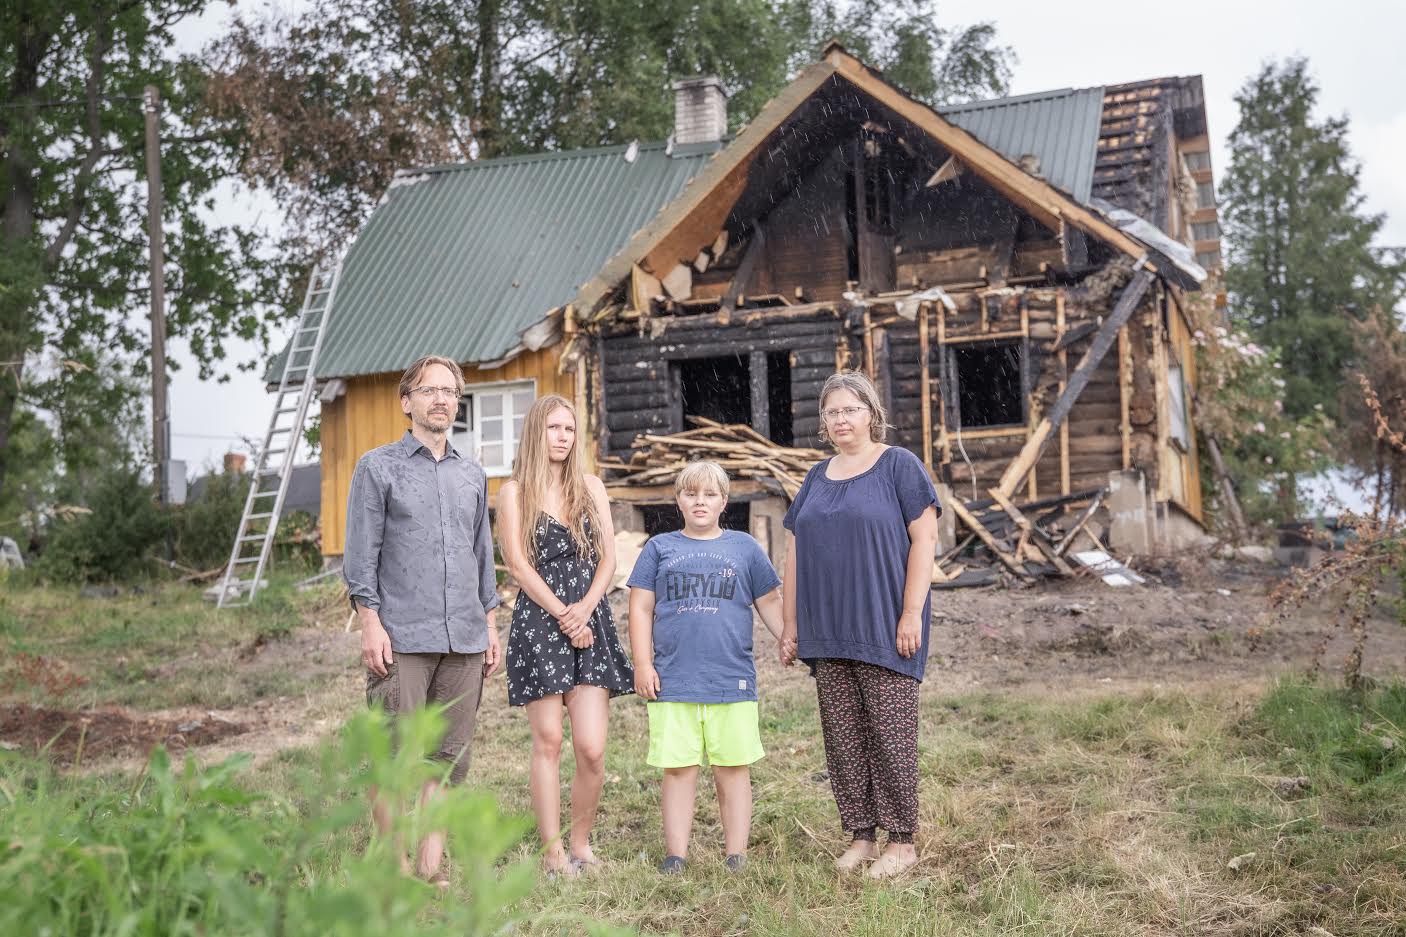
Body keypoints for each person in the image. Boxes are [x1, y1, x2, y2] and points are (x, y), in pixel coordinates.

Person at [344, 354, 503, 889]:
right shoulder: (378, 467)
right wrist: (370, 621)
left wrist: (490, 624)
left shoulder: (472, 473)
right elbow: (361, 555)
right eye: (430, 390)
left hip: (463, 636)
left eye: (450, 392)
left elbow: (482, 554)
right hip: (402, 636)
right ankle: (395, 869)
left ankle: (432, 871)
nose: (441, 400)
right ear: (406, 400)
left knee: (446, 760)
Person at [781, 370, 940, 879]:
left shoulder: (899, 466)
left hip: (885, 623)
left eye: (850, 409)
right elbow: (793, 553)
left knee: (890, 734)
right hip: (826, 627)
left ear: (872, 413)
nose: (840, 419)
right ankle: (861, 835)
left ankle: (902, 841)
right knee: (844, 736)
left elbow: (925, 540)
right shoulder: (815, 476)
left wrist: (911, 611)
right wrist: (789, 624)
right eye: (832, 412)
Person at [627, 460, 788, 875]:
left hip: (730, 680)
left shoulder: (745, 548)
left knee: (731, 768)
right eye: (691, 493)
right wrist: (642, 663)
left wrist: (787, 637)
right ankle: (675, 855)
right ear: (678, 499)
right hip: (673, 679)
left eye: (710, 494)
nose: (700, 501)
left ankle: (736, 854)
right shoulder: (659, 548)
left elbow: (768, 600)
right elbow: (641, 609)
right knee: (678, 770)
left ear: (724, 502)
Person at [497, 394, 634, 877]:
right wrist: (562, 614)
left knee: (593, 748)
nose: (562, 437)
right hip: (541, 620)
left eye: (569, 429)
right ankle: (553, 852)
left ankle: (581, 842)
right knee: (549, 739)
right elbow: (516, 563)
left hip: (590, 616)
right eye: (554, 428)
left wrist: (586, 609)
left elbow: (609, 560)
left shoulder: (590, 487)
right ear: (537, 432)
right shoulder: (515, 492)